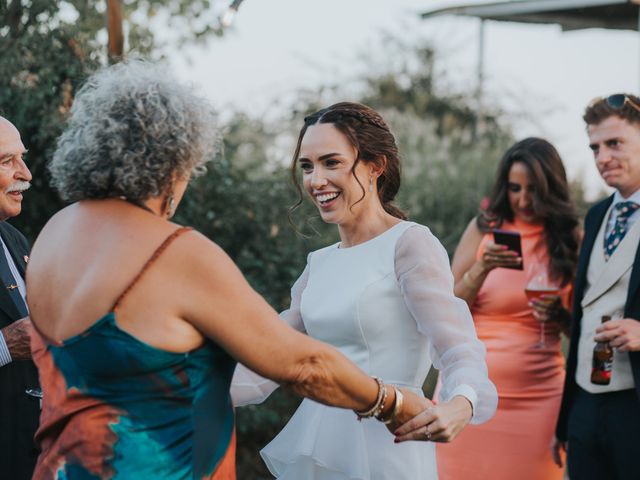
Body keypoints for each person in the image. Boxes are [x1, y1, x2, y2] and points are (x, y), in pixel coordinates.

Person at [25, 62, 429, 480]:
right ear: (175, 162)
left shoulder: (54, 235)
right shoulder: (174, 251)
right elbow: (301, 364)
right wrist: (392, 402)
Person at [231, 102, 497, 479]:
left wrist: (462, 403)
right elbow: (270, 354)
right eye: (307, 166)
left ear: (376, 166)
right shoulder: (318, 264)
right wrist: (178, 390)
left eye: (331, 162)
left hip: (388, 444)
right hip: (320, 444)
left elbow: (456, 346)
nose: (315, 180)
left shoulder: (410, 244)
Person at [436, 138, 580, 480]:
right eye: (515, 188)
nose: (524, 200)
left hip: (541, 401)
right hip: (469, 395)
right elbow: (447, 309)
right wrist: (481, 268)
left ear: (552, 188)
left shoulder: (570, 237)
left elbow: (583, 330)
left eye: (535, 190)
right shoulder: (484, 229)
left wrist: (560, 317)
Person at [553, 93, 640, 480]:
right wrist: (568, 421)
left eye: (615, 143)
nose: (602, 157)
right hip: (586, 403)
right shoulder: (597, 214)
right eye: (595, 147)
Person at [0, 115, 38, 480]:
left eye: (21, 158)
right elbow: (15, 341)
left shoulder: (15, 241)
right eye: (6, 161)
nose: (25, 173)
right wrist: (4, 346)